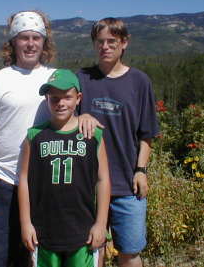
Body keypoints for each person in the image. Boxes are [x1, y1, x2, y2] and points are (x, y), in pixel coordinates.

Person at [0, 10, 56, 267]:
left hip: (45, 183)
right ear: (13, 42)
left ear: (44, 43)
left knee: (39, 256)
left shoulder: (56, 79)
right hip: (4, 182)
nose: (30, 44)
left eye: (36, 38)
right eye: (23, 38)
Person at [77, 18, 160, 267]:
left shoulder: (139, 82)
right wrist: (80, 115)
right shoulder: (81, 79)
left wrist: (141, 171)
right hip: (88, 186)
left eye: (112, 41)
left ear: (124, 43)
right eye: (100, 42)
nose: (105, 46)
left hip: (127, 184)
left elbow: (147, 133)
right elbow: (63, 119)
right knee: (92, 251)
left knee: (131, 251)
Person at [18, 69, 111, 267]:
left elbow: (103, 180)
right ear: (47, 99)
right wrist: (26, 223)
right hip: (44, 232)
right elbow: (24, 180)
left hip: (82, 231)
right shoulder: (35, 136)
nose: (61, 103)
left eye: (67, 97)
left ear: (78, 98)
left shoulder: (93, 136)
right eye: (54, 98)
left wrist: (101, 223)